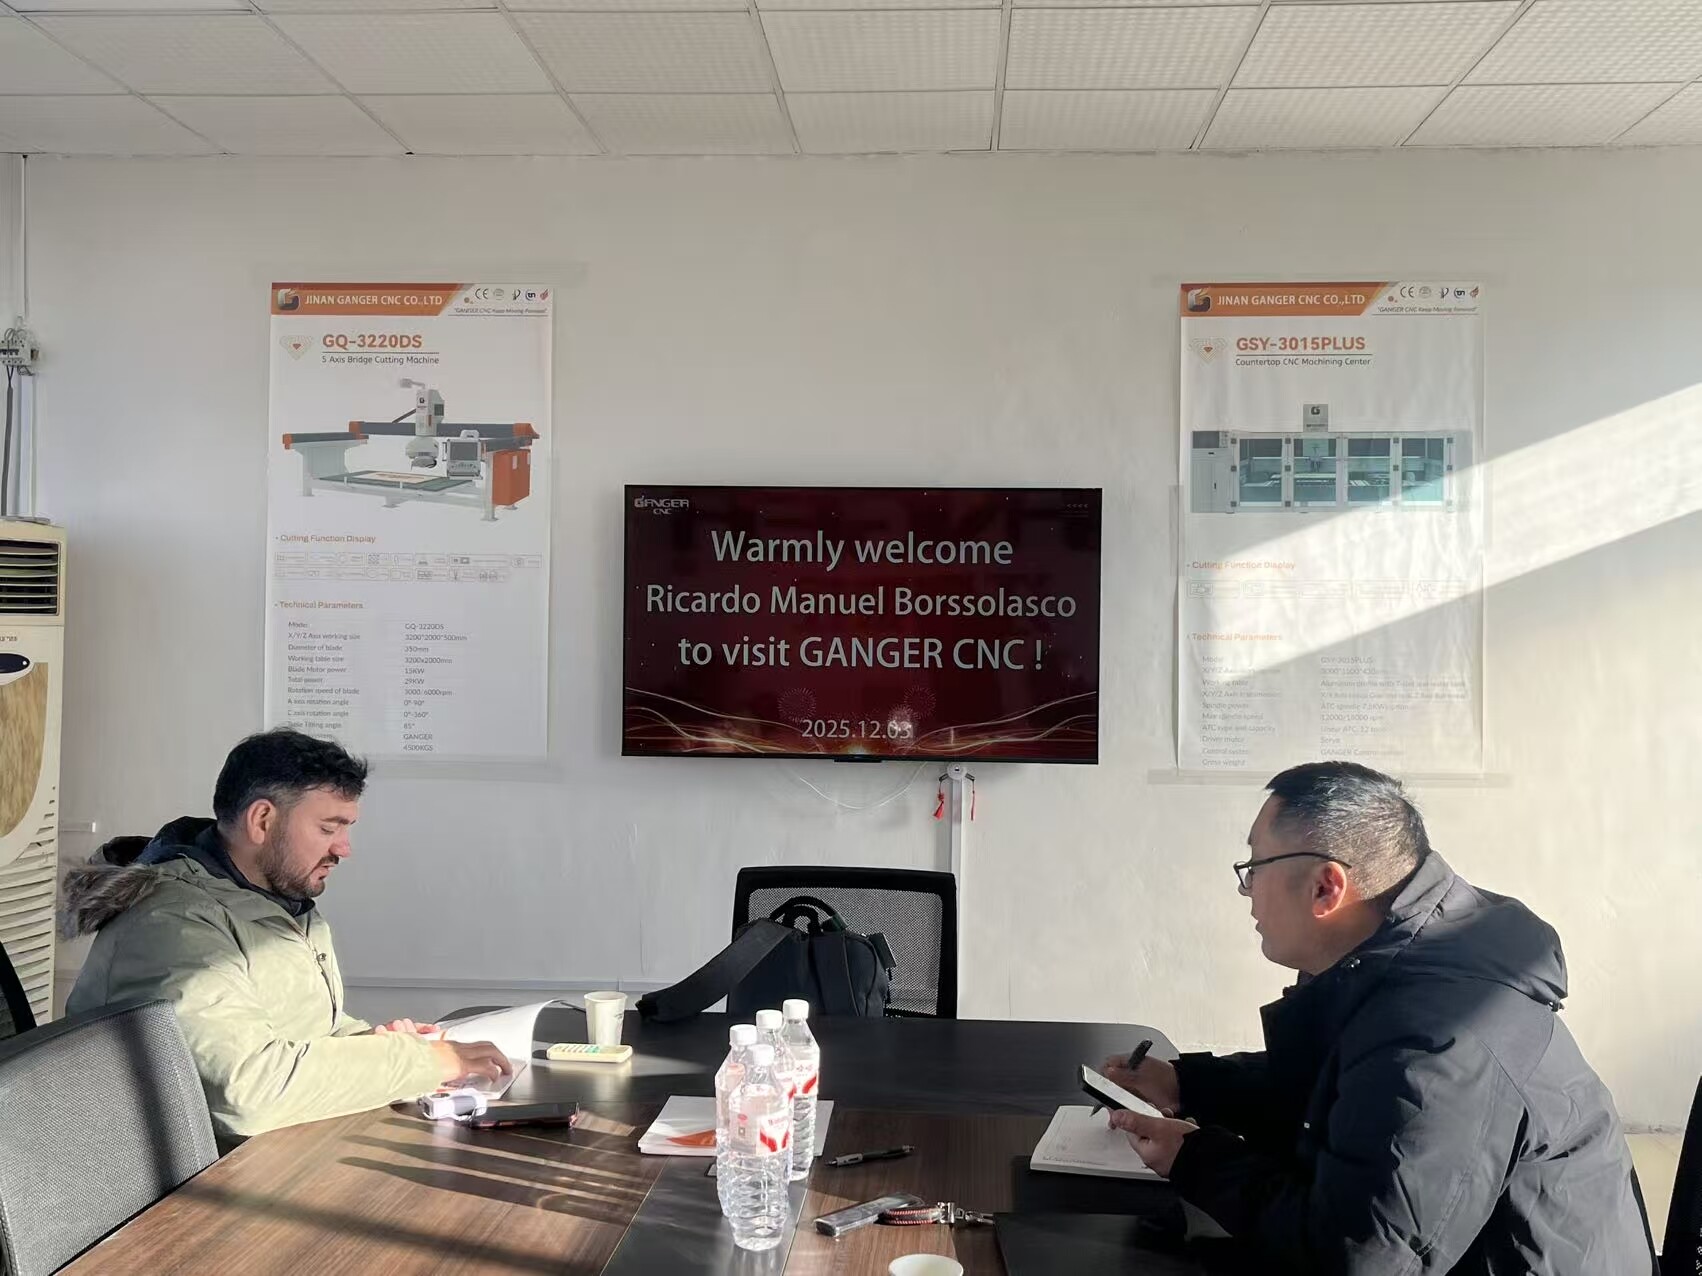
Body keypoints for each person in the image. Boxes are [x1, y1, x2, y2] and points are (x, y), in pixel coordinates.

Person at [1104, 761, 1655, 1275]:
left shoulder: (1439, 1038)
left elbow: (1362, 1253)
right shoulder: (1395, 954)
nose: (1246, 892)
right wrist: (1188, 1082)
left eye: (1253, 868)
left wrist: (1194, 1158)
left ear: (1326, 887)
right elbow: (1333, 1085)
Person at [62, 728, 509, 1147]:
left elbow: (306, 1036)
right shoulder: (173, 925)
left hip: (266, 1156)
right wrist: (426, 1062)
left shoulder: (276, 905)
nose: (344, 848)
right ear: (262, 820)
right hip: (177, 1195)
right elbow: (250, 1092)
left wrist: (377, 1046)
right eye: (328, 828)